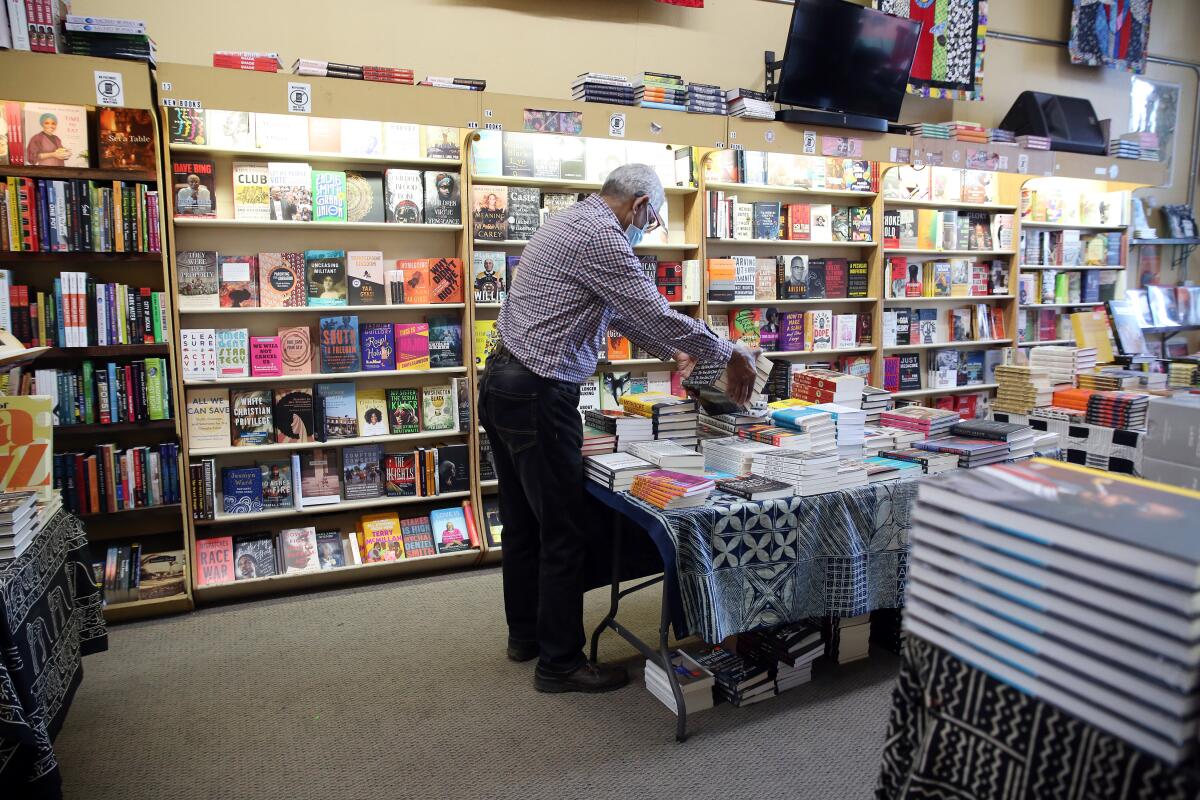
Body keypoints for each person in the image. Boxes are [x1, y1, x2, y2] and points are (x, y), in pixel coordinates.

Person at [479, 163, 757, 694]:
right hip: (539, 393)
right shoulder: (604, 237)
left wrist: (675, 350)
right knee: (563, 530)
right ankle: (559, 663)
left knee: (523, 524)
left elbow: (623, 314)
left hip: (503, 384)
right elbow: (650, 308)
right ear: (640, 206)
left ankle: (527, 636)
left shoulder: (570, 222)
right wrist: (728, 351)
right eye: (650, 223)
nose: (645, 233)